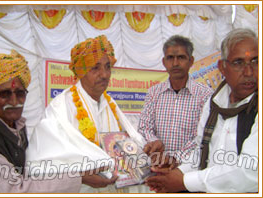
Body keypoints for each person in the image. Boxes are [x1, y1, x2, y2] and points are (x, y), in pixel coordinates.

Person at [26, 35, 151, 193]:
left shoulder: (110, 104)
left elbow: (127, 142)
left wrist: (142, 153)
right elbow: (42, 162)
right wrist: (81, 176)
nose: (104, 75)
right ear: (81, 71)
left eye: (107, 67)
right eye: (95, 68)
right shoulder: (61, 107)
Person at [145, 28, 258, 193]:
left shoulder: (204, 95)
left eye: (255, 61)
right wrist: (177, 172)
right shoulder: (214, 104)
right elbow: (201, 150)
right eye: (238, 63)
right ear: (222, 67)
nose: (249, 72)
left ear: (190, 61)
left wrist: (183, 180)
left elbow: (250, 171)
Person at [0, 50, 92, 193]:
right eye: (5, 94)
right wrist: (80, 177)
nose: (14, 102)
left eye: (20, 93)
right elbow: (16, 190)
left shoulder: (16, 124)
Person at [138, 35, 213, 165]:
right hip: (156, 165)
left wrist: (175, 158)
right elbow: (144, 128)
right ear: (164, 62)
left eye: (181, 57)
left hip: (189, 170)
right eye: (170, 58)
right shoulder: (154, 93)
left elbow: (202, 137)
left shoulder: (205, 95)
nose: (175, 63)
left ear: (191, 61)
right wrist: (155, 143)